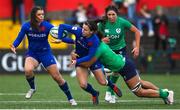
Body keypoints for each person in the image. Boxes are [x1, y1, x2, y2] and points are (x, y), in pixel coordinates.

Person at [69, 37, 174, 105]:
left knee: (139, 92)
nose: (83, 32)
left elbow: (88, 63)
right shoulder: (96, 44)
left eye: (85, 30)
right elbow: (85, 50)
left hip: (124, 67)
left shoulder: (97, 49)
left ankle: (165, 94)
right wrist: (74, 53)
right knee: (140, 83)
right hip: (124, 64)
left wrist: (75, 61)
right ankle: (164, 93)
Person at [10, 6, 77, 106]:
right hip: (32, 53)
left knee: (57, 77)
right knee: (28, 71)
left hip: (45, 53)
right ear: (34, 15)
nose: (42, 16)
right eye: (39, 14)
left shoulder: (47, 26)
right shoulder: (26, 26)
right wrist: (14, 45)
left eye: (43, 14)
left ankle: (70, 98)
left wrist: (71, 41)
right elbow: (19, 38)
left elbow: (60, 35)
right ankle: (33, 88)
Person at [57, 20, 122, 105]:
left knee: (102, 82)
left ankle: (112, 85)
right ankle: (94, 93)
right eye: (83, 28)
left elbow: (90, 56)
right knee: (83, 85)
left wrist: (76, 61)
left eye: (85, 30)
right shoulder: (78, 30)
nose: (82, 30)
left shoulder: (95, 40)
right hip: (80, 59)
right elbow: (62, 26)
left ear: (91, 32)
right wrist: (59, 38)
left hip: (91, 60)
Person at [97, 5, 141, 103]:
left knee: (117, 70)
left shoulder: (122, 22)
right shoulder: (102, 24)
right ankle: (110, 93)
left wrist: (137, 47)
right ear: (106, 15)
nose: (111, 16)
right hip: (108, 50)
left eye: (113, 14)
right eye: (109, 14)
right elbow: (96, 37)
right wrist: (102, 39)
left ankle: (109, 93)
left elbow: (137, 31)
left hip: (121, 49)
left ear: (117, 14)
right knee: (111, 71)